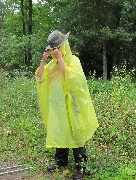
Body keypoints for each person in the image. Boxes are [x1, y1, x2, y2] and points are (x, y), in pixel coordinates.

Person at [35, 30, 99, 180]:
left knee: (76, 131)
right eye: (53, 48)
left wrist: (60, 60)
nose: (56, 51)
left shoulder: (73, 61)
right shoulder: (52, 65)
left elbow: (74, 80)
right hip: (58, 106)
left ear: (64, 45)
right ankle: (60, 161)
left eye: (58, 47)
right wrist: (43, 61)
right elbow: (39, 79)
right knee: (59, 130)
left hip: (72, 105)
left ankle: (81, 166)